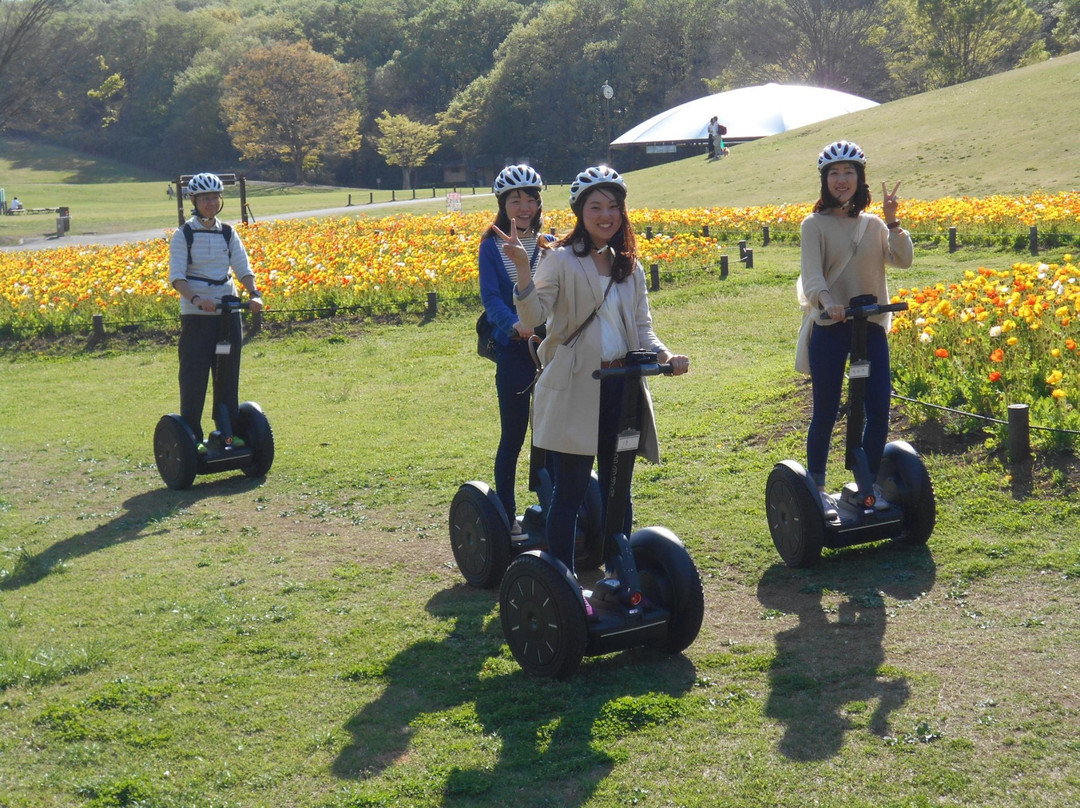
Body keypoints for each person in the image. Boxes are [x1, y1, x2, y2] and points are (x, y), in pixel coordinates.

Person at [501, 165, 690, 577]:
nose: (606, 215)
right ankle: (562, 582)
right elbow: (534, 316)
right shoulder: (561, 259)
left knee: (618, 489)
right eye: (595, 207)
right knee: (569, 493)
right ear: (579, 212)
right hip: (574, 387)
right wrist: (522, 269)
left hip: (622, 389)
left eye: (613, 207)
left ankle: (620, 574)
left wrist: (666, 357)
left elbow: (643, 329)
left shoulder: (630, 267)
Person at [797, 140, 912, 520]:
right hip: (832, 328)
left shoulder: (875, 225)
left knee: (879, 406)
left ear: (860, 177)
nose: (841, 180)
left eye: (849, 173)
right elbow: (812, 277)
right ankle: (816, 484)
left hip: (870, 328)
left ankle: (867, 484)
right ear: (824, 180)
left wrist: (893, 221)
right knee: (826, 410)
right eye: (834, 173)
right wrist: (828, 301)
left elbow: (904, 260)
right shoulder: (814, 225)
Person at [478, 164, 553, 529]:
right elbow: (492, 299)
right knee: (513, 435)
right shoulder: (490, 246)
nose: (524, 208)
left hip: (552, 349)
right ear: (503, 204)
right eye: (515, 200)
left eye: (530, 200)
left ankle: (550, 508)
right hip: (515, 351)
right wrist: (514, 326)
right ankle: (506, 516)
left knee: (552, 433)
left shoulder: (549, 242)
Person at [168, 172, 263, 451]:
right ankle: (192, 436)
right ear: (194, 201)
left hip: (227, 313)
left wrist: (253, 293)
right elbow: (177, 278)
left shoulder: (227, 232)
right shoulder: (183, 234)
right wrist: (197, 298)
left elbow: (243, 268)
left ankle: (228, 431)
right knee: (194, 374)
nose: (211, 203)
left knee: (227, 372)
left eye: (215, 197)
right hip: (197, 316)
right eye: (205, 198)